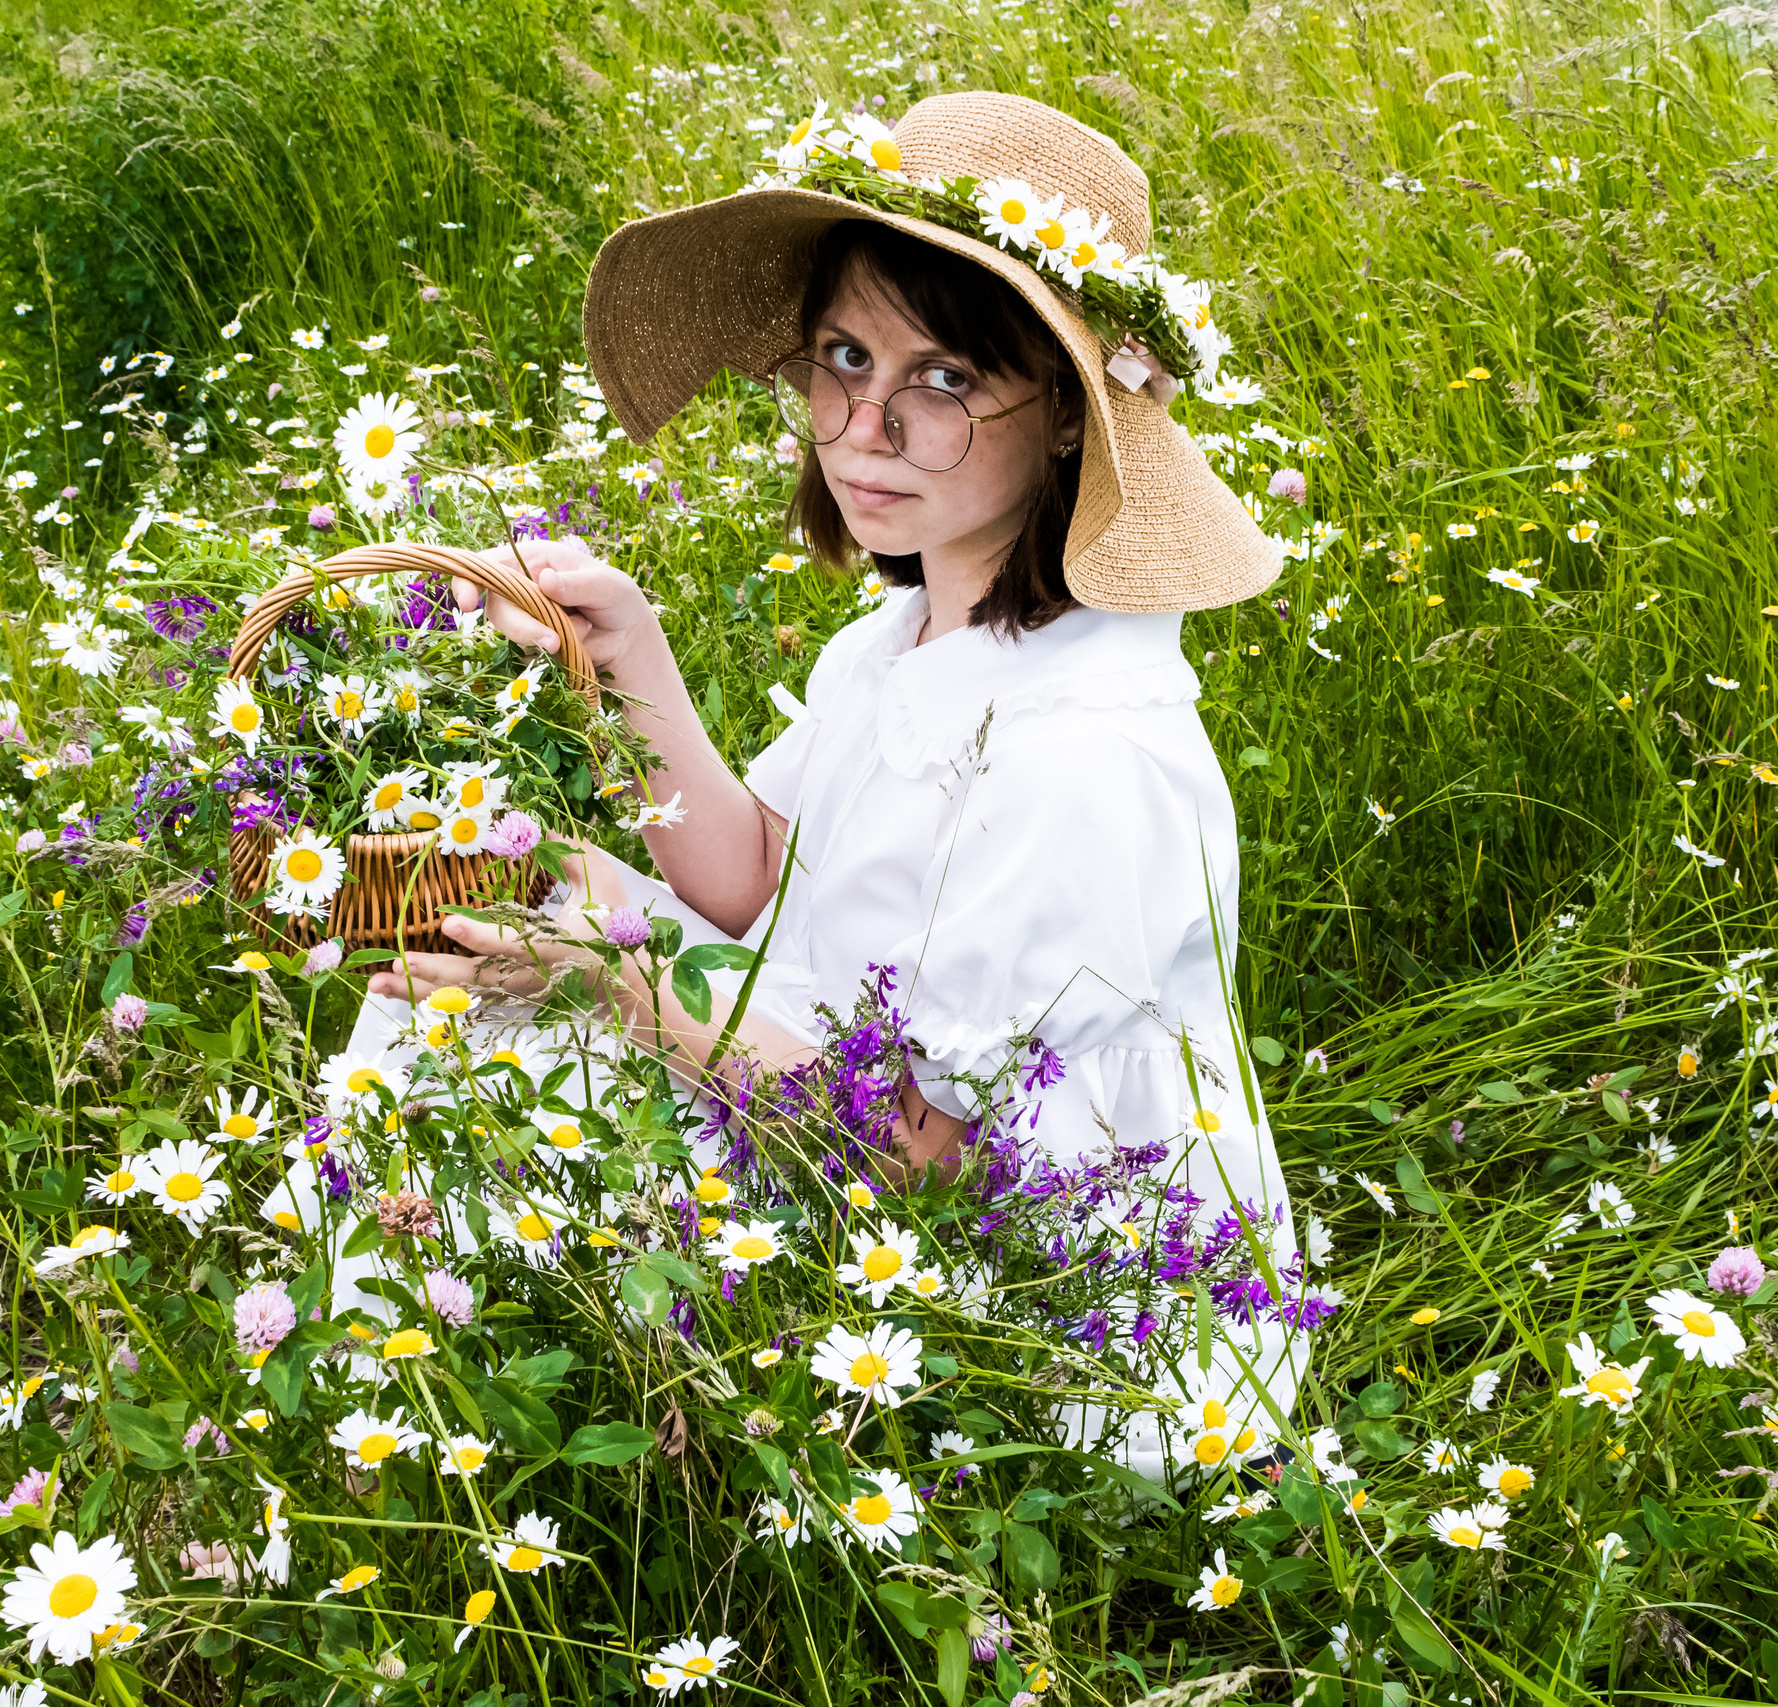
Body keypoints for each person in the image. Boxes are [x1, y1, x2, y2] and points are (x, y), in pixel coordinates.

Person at [299, 92, 1313, 1476]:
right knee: (440, 1005)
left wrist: (627, 984)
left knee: (519, 1042)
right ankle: (369, 1410)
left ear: (1073, 417)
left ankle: (453, 1447)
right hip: (831, 1086)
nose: (867, 427)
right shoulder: (900, 638)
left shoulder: (1088, 746)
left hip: (1033, 1285)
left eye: (945, 378)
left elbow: (945, 1167)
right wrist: (633, 648)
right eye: (842, 357)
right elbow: (760, 883)